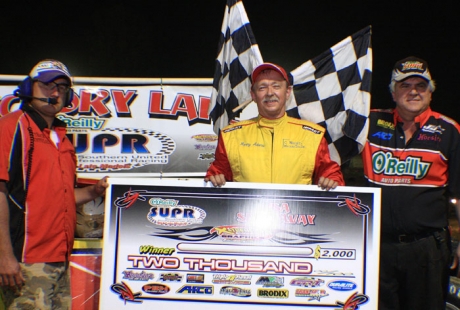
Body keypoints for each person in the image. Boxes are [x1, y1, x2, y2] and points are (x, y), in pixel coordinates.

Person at [0, 59, 108, 309]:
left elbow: (63, 196)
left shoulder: (62, 138)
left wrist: (94, 191)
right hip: (25, 261)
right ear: (28, 88)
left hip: (60, 259)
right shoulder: (9, 127)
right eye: (47, 84)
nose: (55, 92)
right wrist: (5, 257)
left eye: (62, 87)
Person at [361, 56, 460, 309]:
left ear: (431, 92)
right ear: (393, 93)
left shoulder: (449, 130)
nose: (413, 91)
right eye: (405, 85)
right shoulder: (368, 122)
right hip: (375, 246)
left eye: (421, 86)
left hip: (427, 248)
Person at [205, 62, 344, 190]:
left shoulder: (313, 135)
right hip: (245, 215)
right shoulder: (231, 136)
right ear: (253, 95)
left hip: (296, 215)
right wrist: (214, 176)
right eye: (262, 87)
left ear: (287, 92)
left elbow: (331, 173)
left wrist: (332, 180)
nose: (270, 92)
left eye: (276, 86)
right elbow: (218, 172)